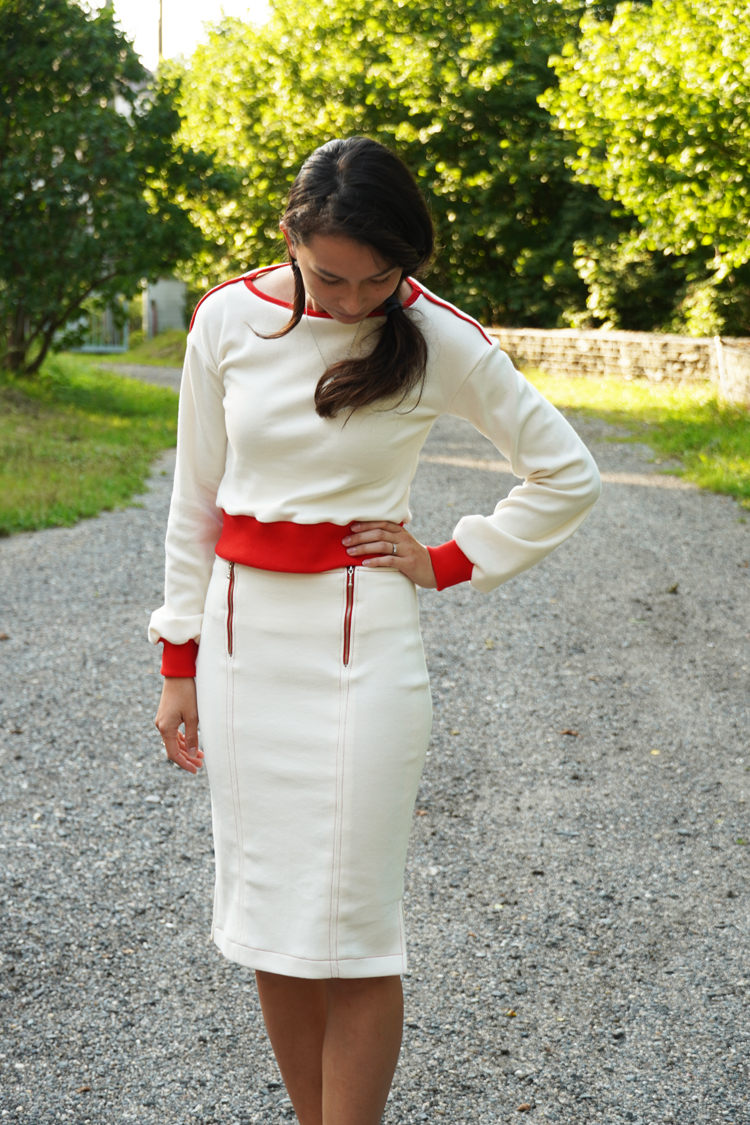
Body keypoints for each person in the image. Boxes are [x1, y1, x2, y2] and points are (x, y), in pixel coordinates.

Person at [151, 136, 600, 1125]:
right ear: (291, 238)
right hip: (241, 653)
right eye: (330, 278)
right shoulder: (226, 319)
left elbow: (567, 472)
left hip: (365, 659)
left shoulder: (439, 337)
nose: (355, 302)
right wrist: (178, 659)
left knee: (353, 936)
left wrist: (448, 558)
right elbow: (194, 502)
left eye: (378, 279)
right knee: (273, 926)